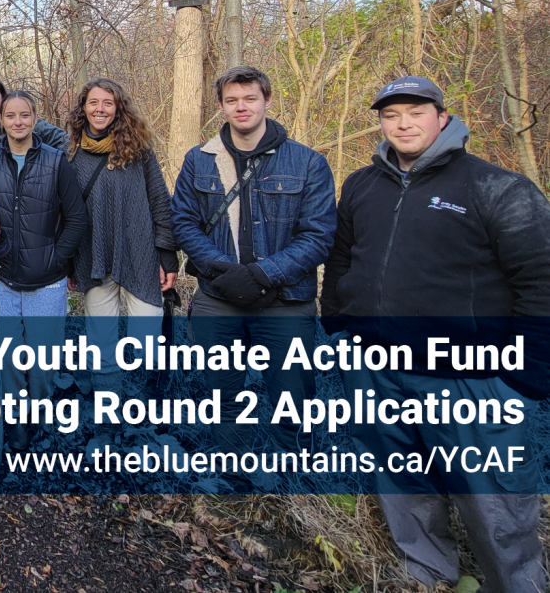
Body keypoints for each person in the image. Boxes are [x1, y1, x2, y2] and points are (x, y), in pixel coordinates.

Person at [321, 76, 550, 593]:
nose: (403, 123)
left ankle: (516, 584)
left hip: (470, 379)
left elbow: (540, 280)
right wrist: (336, 328)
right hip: (376, 372)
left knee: (495, 503)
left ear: (441, 118)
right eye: (391, 114)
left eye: (415, 112)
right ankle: (426, 576)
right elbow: (341, 261)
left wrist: (528, 377)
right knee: (403, 488)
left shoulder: (497, 188)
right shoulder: (361, 184)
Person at [169, 65, 336, 492]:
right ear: (221, 106)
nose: (241, 107)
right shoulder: (199, 159)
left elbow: (319, 235)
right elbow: (184, 222)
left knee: (292, 393)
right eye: (232, 100)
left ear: (267, 101)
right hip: (218, 296)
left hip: (285, 300)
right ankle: (231, 474)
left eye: (250, 99)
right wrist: (224, 272)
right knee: (223, 393)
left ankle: (292, 481)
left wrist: (262, 274)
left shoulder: (308, 162)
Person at [0, 90, 87, 451]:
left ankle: (38, 409)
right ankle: (14, 416)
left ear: (36, 118)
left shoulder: (55, 162)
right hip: (0, 276)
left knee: (41, 359)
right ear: (2, 120)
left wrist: (57, 259)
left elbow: (76, 218)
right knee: (6, 355)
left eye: (25, 115)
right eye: (10, 116)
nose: (18, 122)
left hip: (46, 282)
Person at [0, 73, 70, 395]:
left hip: (39, 253)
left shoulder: (47, 147)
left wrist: (56, 257)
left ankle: (37, 401)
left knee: (39, 347)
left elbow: (73, 214)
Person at [65, 77, 178, 381]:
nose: (100, 109)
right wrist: (68, 264)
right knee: (101, 344)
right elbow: (65, 213)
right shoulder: (71, 154)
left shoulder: (138, 150)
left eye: (107, 103)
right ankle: (109, 412)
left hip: (140, 255)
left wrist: (167, 255)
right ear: (83, 109)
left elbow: (159, 200)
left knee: (148, 342)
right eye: (93, 103)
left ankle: (150, 409)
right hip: (92, 256)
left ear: (118, 108)